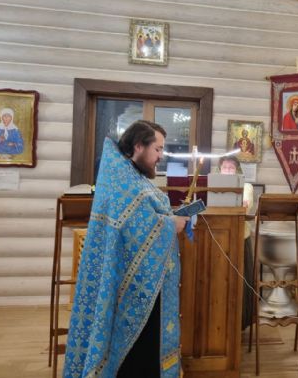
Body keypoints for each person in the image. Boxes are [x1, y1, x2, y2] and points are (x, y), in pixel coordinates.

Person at [64, 120, 189, 378]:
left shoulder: (131, 176)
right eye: (157, 149)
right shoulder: (123, 180)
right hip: (130, 289)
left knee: (145, 350)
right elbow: (136, 227)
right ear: (139, 146)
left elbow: (144, 217)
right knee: (134, 356)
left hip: (145, 281)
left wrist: (169, 218)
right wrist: (170, 224)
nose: (161, 156)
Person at [218, 156, 254, 330]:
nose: (227, 171)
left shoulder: (246, 187)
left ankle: (240, 322)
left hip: (240, 238)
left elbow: (245, 206)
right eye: (224, 167)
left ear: (237, 170)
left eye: (231, 168)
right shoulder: (214, 186)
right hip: (219, 238)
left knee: (240, 280)